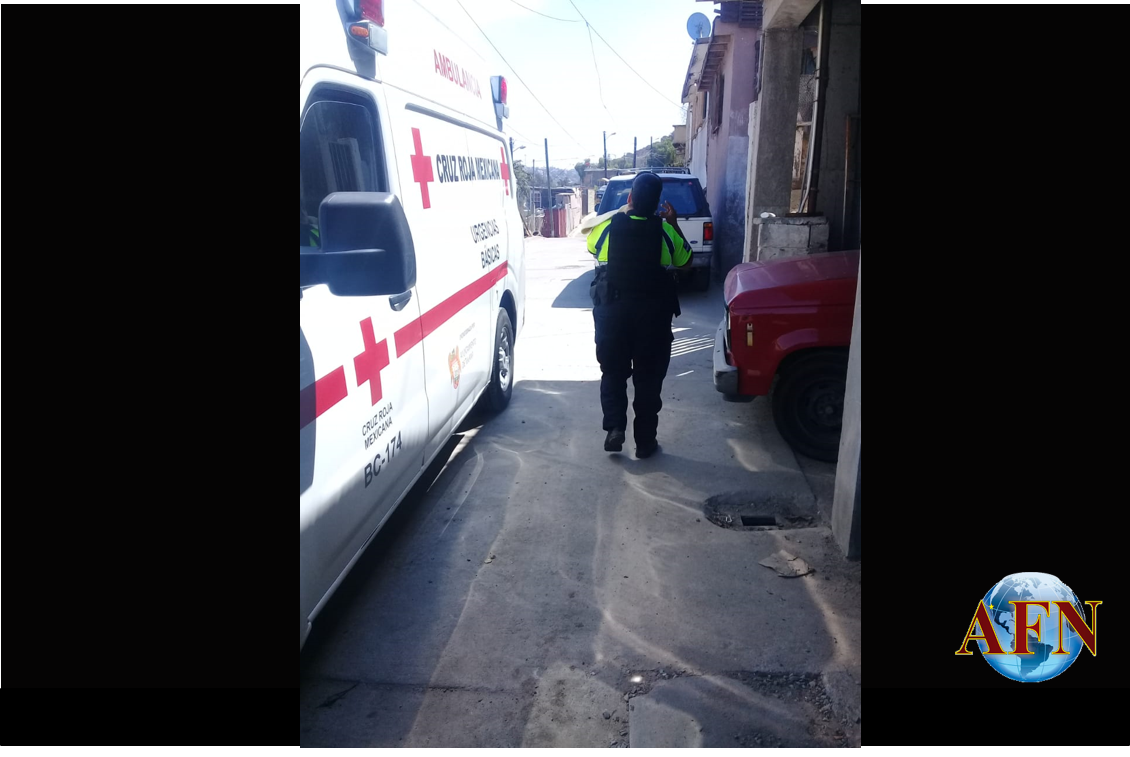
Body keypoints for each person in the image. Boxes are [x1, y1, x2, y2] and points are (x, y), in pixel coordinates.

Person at [586, 172, 691, 458]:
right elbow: (685, 262)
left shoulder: (608, 227)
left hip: (612, 314)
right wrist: (673, 223)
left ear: (630, 198)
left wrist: (623, 214)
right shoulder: (665, 231)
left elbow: (591, 247)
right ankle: (645, 442)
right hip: (652, 319)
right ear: (658, 204)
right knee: (648, 379)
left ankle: (615, 429)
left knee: (613, 372)